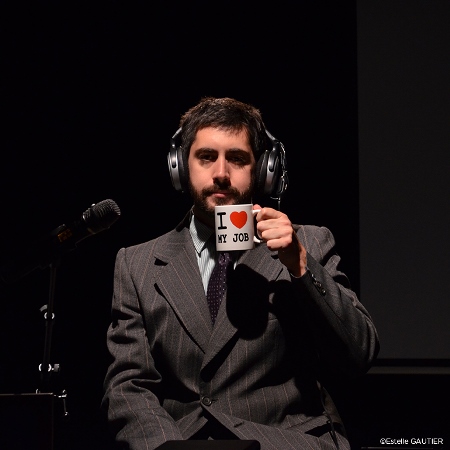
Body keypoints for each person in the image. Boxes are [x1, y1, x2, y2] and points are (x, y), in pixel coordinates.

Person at [102, 97, 379, 450]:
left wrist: (299, 264)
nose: (221, 173)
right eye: (206, 157)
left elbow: (358, 354)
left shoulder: (309, 243)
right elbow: (128, 387)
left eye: (237, 158)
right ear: (180, 167)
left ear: (263, 170)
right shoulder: (136, 264)